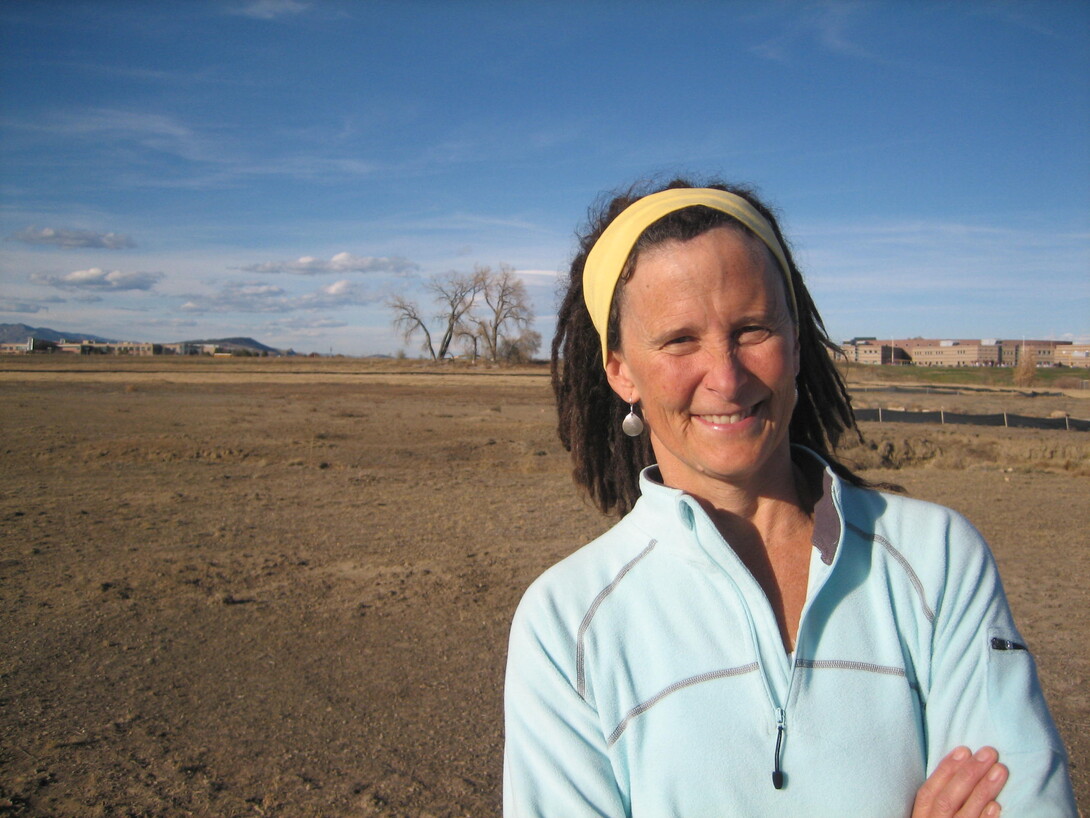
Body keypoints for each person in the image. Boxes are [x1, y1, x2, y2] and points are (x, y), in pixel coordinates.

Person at [503, 180, 1077, 816]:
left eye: (752, 330)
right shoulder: (567, 627)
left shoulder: (937, 559)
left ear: (797, 341)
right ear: (621, 372)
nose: (725, 377)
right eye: (679, 340)